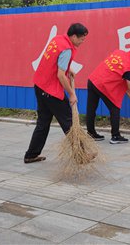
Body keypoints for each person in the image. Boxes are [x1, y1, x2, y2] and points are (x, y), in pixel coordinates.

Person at [24, 23, 89, 163]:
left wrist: (68, 68)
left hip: (40, 85)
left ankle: (31, 155)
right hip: (50, 90)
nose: (82, 42)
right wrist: (72, 94)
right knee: (69, 122)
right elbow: (60, 75)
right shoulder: (66, 49)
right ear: (73, 36)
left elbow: (56, 62)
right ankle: (82, 154)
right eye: (81, 39)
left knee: (43, 123)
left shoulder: (58, 40)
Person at [85, 44, 130, 144]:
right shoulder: (129, 65)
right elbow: (129, 84)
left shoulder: (119, 53)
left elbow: (118, 75)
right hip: (103, 85)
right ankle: (115, 136)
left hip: (93, 80)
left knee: (91, 109)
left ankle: (91, 133)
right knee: (114, 108)